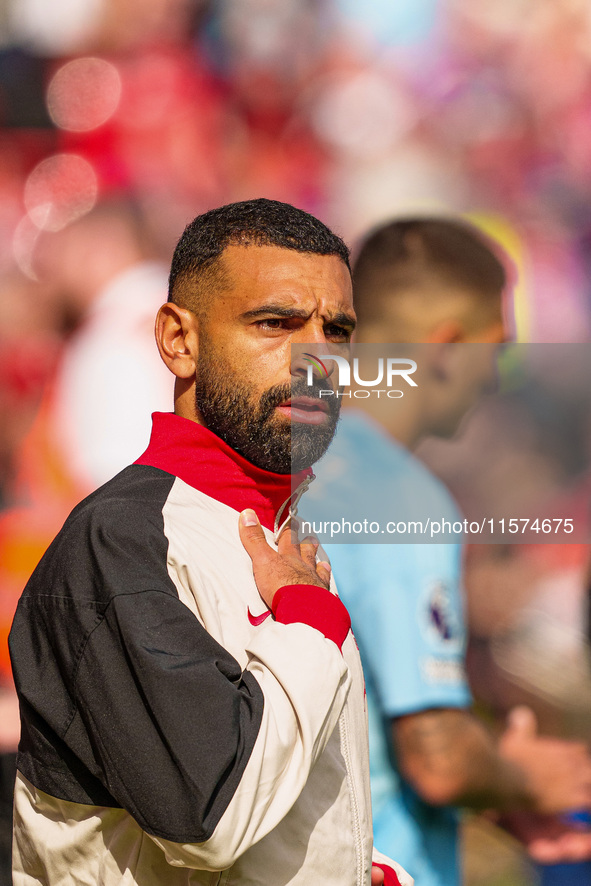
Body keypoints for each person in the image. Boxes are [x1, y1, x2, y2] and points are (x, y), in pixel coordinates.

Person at [8, 198, 411, 886]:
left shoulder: (291, 524)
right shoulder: (121, 541)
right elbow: (213, 819)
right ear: (178, 340)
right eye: (274, 323)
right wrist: (309, 622)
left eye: (336, 330)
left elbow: (276, 826)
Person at [301, 217, 591, 886]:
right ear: (445, 346)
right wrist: (527, 776)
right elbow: (436, 755)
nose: (492, 379)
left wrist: (492, 792)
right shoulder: (399, 498)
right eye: (497, 349)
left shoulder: (280, 461)